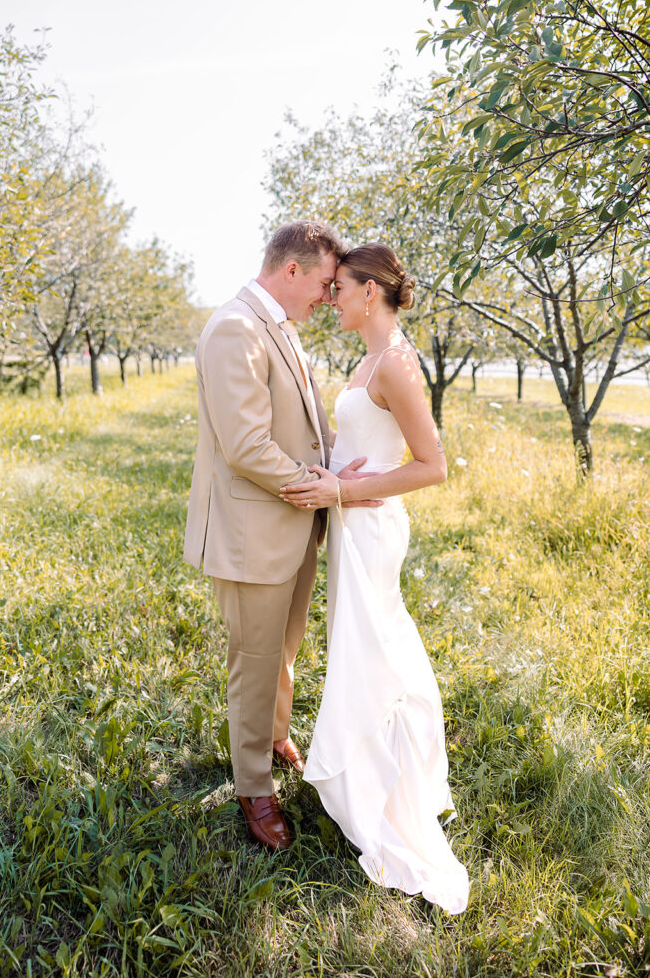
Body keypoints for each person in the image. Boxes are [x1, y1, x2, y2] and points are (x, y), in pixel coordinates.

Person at [281, 243, 469, 913]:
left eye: (341, 288)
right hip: (352, 524)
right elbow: (355, 450)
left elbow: (432, 466)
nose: (329, 297)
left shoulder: (394, 364)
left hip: (372, 527)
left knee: (377, 652)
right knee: (361, 649)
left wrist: (344, 492)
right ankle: (372, 775)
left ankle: (390, 793)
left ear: (370, 293)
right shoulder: (367, 360)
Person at [183, 221, 373, 852]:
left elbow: (299, 427)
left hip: (291, 524)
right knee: (255, 662)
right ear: (291, 271)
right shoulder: (236, 327)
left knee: (282, 651)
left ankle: (273, 734)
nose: (328, 296)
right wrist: (316, 486)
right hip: (252, 530)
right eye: (323, 282)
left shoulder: (279, 329)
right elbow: (245, 446)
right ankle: (252, 787)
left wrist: (332, 469)